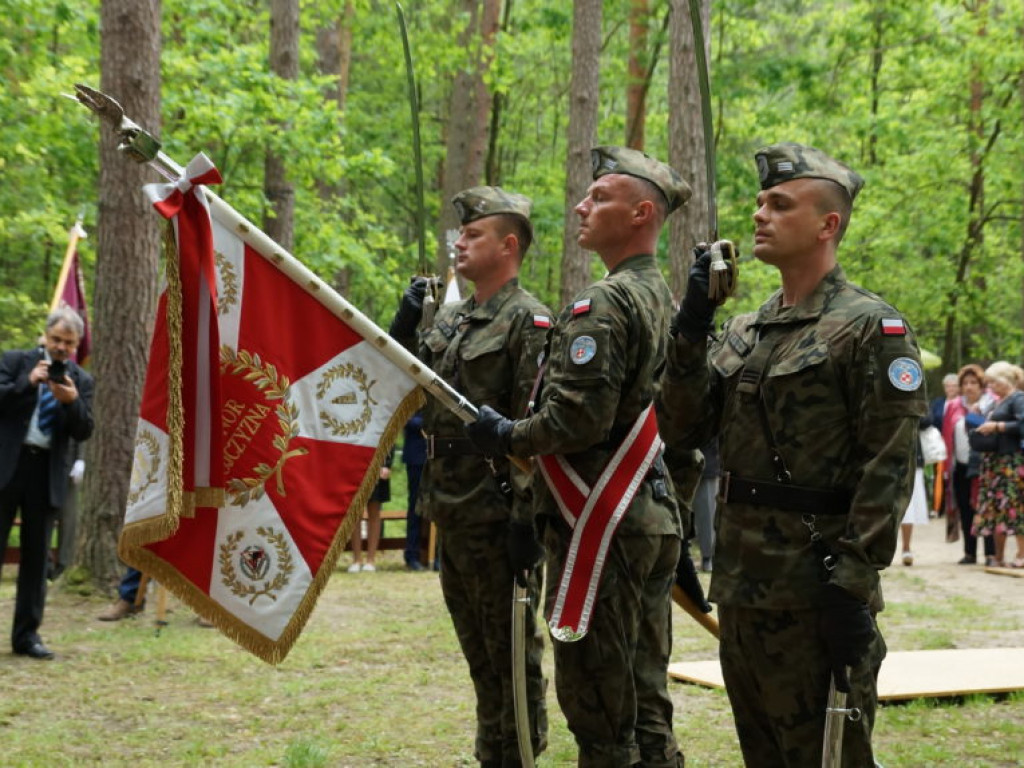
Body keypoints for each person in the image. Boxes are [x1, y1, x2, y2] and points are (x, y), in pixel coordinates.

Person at [656, 142, 927, 767]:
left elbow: (887, 464)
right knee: (765, 754)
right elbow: (680, 426)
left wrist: (854, 583)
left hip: (818, 588)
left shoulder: (870, 329)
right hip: (745, 587)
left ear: (827, 225)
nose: (759, 215)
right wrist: (692, 326)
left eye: (780, 204)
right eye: (757, 203)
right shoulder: (746, 328)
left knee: (829, 755)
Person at [466, 147, 695, 767]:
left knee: (599, 708)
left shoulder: (606, 303)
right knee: (647, 699)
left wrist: (507, 434)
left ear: (642, 212)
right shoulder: (668, 302)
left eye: (600, 198)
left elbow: (577, 419)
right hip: (649, 514)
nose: (580, 206)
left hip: (602, 522)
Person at [390, 186, 551, 767]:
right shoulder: (453, 320)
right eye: (460, 234)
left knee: (511, 655)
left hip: (496, 512)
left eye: (473, 234)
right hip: (450, 508)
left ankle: (522, 755)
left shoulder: (528, 321)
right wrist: (404, 323)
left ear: (508, 245)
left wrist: (526, 519)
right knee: (479, 658)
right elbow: (406, 388)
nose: (459, 242)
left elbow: (534, 429)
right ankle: (494, 755)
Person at [0, 308, 95, 659]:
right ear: (45, 336)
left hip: (47, 475)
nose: (60, 347)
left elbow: (84, 429)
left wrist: (70, 403)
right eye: (56, 340)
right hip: (8, 466)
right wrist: (27, 382)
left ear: (75, 345)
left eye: (68, 343)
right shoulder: (14, 361)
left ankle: (26, 637)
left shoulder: (81, 380)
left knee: (37, 559)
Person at [971, 361, 1024, 569]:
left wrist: (997, 426)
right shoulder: (999, 401)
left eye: (993, 382)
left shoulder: (1018, 398)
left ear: (1004, 380)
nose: (990, 387)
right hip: (994, 463)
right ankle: (998, 556)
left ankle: (1021, 554)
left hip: (1010, 462)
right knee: (996, 509)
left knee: (1016, 506)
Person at [947, 364, 996, 564]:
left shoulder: (991, 404)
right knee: (965, 509)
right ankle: (969, 552)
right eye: (965, 383)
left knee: (985, 508)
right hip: (960, 465)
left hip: (985, 465)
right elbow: (947, 435)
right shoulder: (953, 406)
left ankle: (991, 553)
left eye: (973, 382)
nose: (969, 387)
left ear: (981, 385)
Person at [348, 451, 392, 573]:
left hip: (377, 464)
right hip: (354, 465)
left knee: (374, 512)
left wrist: (387, 464)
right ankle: (357, 560)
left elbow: (389, 437)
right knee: (355, 513)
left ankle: (370, 560)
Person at [897, 422, 931, 566]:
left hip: (912, 458)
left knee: (908, 506)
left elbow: (928, 420)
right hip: (885, 458)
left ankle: (906, 548)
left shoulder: (915, 401)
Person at [401, 411, 427, 571]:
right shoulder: (412, 391)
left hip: (438, 455)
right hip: (416, 457)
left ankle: (436, 556)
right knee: (415, 506)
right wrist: (427, 422)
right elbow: (407, 419)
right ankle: (412, 554)